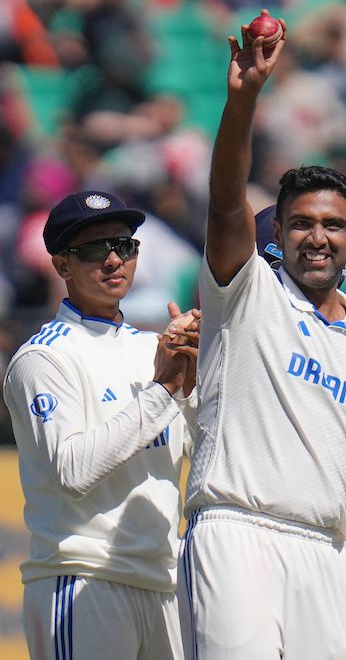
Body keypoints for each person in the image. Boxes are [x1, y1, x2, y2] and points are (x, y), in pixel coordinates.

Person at [181, 18, 346, 658]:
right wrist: (244, 99)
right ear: (276, 234)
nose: (318, 237)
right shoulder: (247, 293)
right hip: (236, 533)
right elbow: (226, 202)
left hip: (326, 553)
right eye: (301, 224)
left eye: (333, 225)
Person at [3, 190, 199, 660]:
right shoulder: (43, 357)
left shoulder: (152, 348)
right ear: (61, 265)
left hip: (163, 581)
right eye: (92, 249)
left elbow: (203, 453)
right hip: (83, 575)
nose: (113, 260)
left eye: (125, 246)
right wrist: (164, 391)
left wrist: (199, 380)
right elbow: (73, 471)